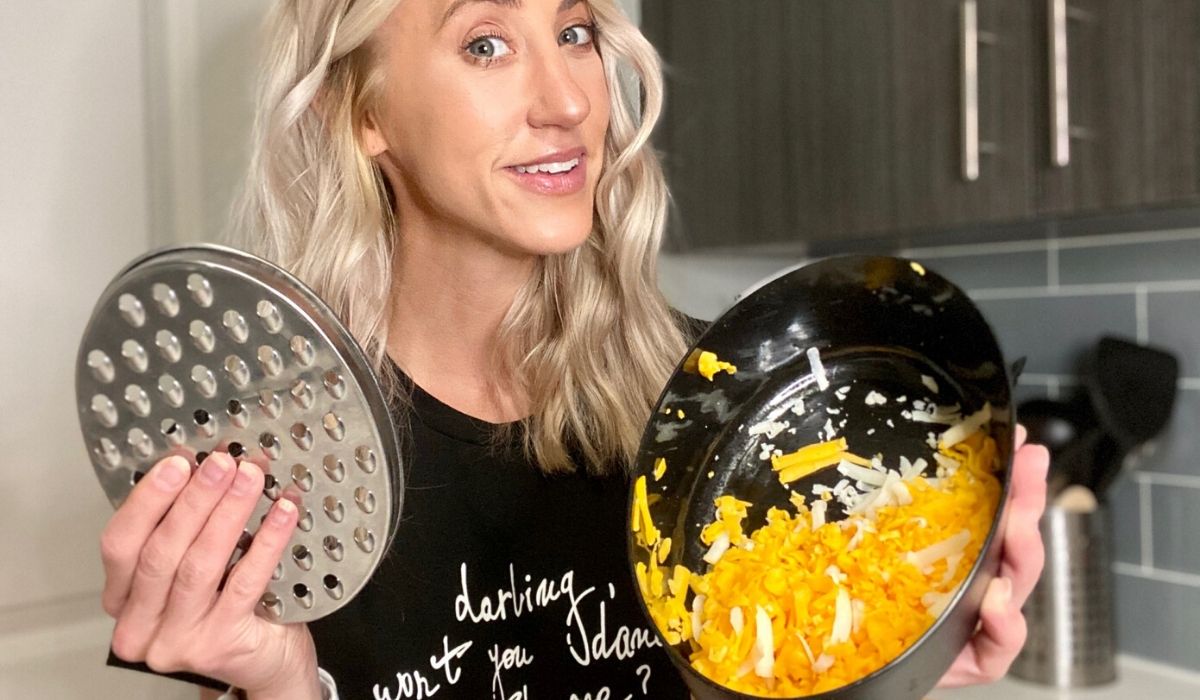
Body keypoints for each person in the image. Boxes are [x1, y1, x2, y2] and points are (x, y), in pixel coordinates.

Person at [99, 1, 1050, 698]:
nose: (565, 100)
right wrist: (282, 687)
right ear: (364, 115)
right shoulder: (275, 470)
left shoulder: (727, 405)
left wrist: (889, 673)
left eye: (577, 31)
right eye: (486, 44)